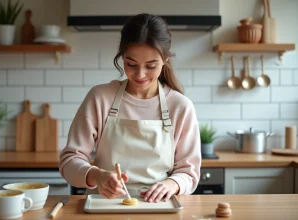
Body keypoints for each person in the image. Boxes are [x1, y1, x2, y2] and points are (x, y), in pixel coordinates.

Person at [59, 13, 201, 203]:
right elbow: (69, 162)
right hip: (103, 204)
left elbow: (189, 174)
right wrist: (97, 176)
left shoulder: (180, 106)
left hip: (159, 207)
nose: (140, 74)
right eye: (131, 64)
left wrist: (172, 184)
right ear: (121, 57)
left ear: (165, 59)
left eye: (151, 66)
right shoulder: (100, 98)